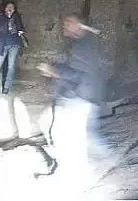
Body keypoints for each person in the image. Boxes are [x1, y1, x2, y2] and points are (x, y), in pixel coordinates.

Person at [37, 14, 106, 185]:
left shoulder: (82, 46)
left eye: (69, 23)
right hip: (83, 94)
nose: (65, 26)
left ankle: (73, 174)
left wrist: (54, 70)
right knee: (82, 136)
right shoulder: (84, 43)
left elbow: (76, 73)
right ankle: (86, 168)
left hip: (81, 95)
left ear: (79, 25)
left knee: (68, 135)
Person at [0, 2, 25, 94]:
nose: (10, 8)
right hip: (1, 44)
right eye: (8, 7)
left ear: (14, 10)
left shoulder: (17, 17)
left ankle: (7, 87)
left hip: (14, 43)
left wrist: (20, 30)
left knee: (11, 66)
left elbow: (21, 27)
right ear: (5, 8)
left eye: (12, 7)